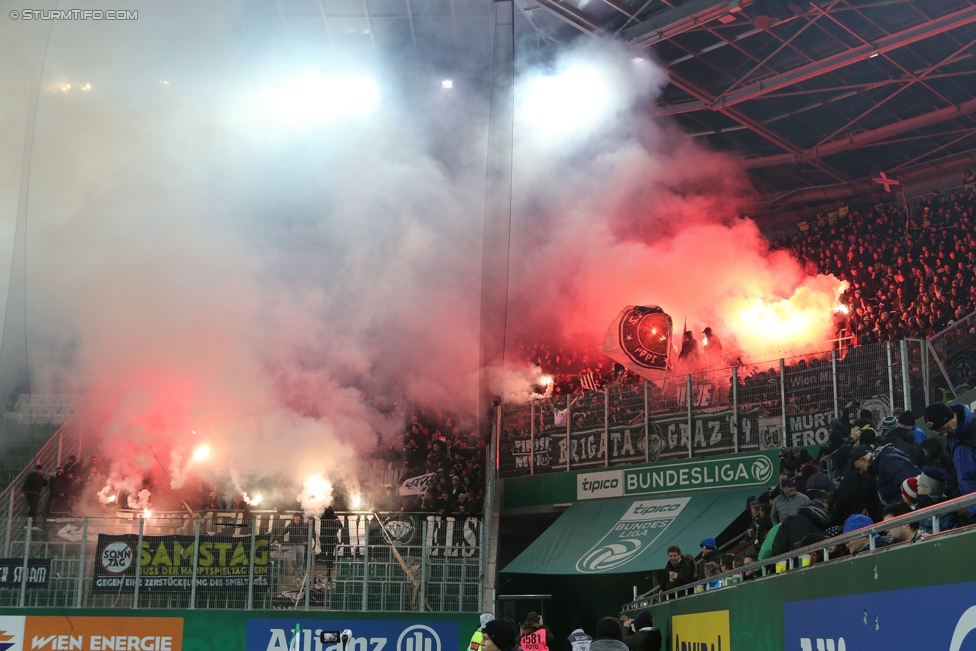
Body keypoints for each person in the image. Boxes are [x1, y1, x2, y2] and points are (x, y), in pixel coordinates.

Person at [924, 402, 976, 515]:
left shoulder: (972, 430)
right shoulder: (954, 436)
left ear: (951, 416)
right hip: (971, 504)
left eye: (946, 428)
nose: (946, 434)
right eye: (940, 433)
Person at [280, 514, 308, 579]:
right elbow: (284, 531)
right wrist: (277, 539)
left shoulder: (303, 525)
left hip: (301, 545)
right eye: (295, 517)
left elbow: (308, 533)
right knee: (293, 560)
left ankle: (298, 577)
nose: (296, 518)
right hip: (293, 545)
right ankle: (297, 571)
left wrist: (306, 541)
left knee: (300, 562)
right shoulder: (291, 525)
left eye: (297, 516)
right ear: (293, 518)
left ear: (299, 517)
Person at [319, 506, 341, 585]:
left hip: (329, 539)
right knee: (328, 556)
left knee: (329, 556)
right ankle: (328, 572)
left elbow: (340, 525)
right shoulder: (327, 517)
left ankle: (329, 572)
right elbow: (340, 526)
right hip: (327, 539)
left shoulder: (329, 517)